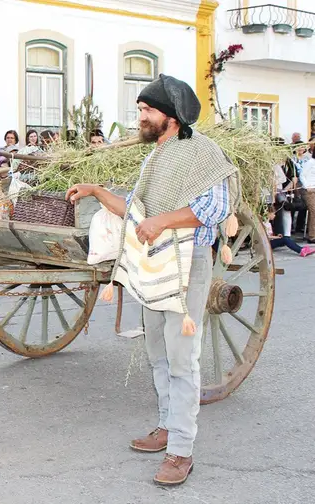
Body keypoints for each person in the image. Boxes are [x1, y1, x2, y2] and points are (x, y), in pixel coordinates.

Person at [67, 74, 237, 486]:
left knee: (181, 359)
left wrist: (164, 220)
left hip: (186, 264)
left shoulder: (202, 153)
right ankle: (165, 426)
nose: (140, 116)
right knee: (157, 353)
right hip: (153, 263)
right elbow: (134, 209)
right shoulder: (155, 157)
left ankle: (181, 449)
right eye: (140, 109)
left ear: (172, 117)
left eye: (147, 110)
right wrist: (94, 190)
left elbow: (215, 207)